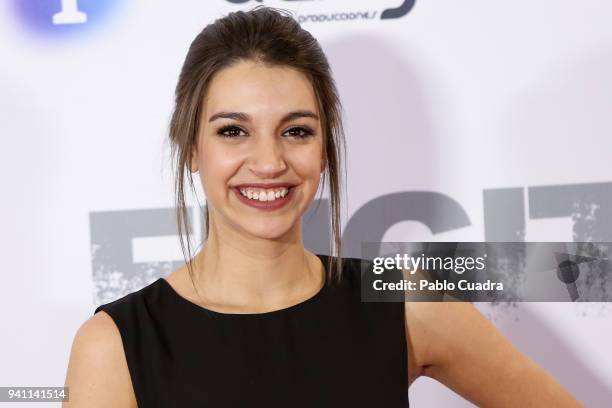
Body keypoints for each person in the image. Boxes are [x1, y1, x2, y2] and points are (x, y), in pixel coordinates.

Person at [63, 6, 581, 407]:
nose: (268, 161)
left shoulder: (408, 303)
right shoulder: (116, 345)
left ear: (325, 149)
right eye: (233, 131)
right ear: (192, 148)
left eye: (296, 131)